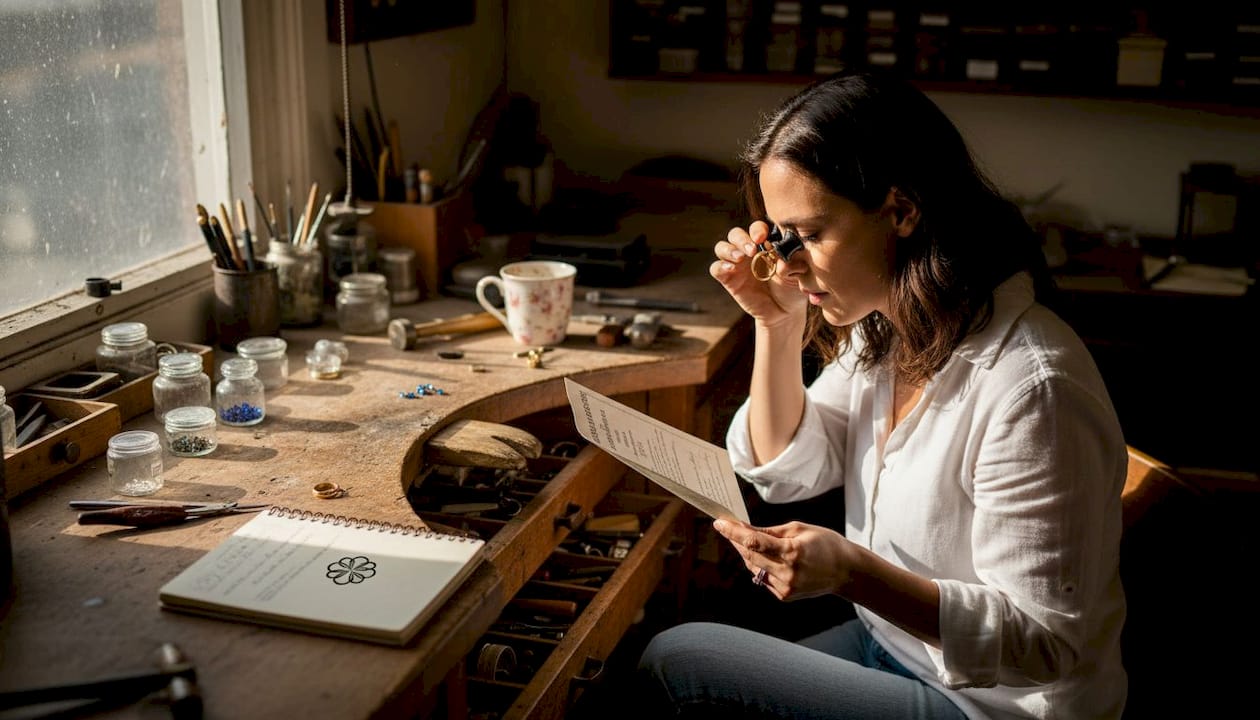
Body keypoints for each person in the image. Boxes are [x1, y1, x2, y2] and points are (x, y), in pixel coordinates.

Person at [637, 70, 1128, 719]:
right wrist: (776, 325)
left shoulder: (1032, 389)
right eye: (778, 238)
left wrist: (855, 574)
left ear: (901, 210)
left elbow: (1045, 644)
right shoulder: (892, 326)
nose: (784, 265)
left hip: (992, 706)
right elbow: (791, 470)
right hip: (893, 646)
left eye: (807, 236)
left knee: (677, 661)